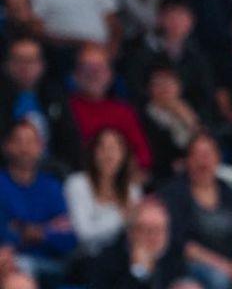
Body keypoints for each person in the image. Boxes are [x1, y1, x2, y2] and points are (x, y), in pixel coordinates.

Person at [160, 133, 232, 289]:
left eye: (208, 154)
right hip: (194, 265)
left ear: (218, 158)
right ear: (187, 160)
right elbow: (182, 245)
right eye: (197, 155)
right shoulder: (173, 195)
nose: (203, 161)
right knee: (219, 280)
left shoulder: (231, 193)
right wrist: (223, 266)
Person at [0, 121, 76, 282]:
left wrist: (35, 232)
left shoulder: (52, 186)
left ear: (41, 147)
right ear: (6, 145)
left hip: (50, 265)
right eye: (18, 141)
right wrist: (46, 228)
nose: (24, 148)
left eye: (30, 142)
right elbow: (4, 232)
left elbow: (68, 237)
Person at [64, 128, 141, 256]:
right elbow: (84, 233)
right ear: (93, 153)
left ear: (124, 155)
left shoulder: (133, 191)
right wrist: (121, 216)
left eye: (114, 149)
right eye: (102, 148)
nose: (108, 155)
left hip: (120, 258)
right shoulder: (77, 184)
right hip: (83, 258)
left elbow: (135, 233)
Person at [89, 199, 186, 289]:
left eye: (158, 229)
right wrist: (139, 272)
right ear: (130, 232)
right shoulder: (108, 259)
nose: (153, 236)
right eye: (145, 229)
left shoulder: (174, 255)